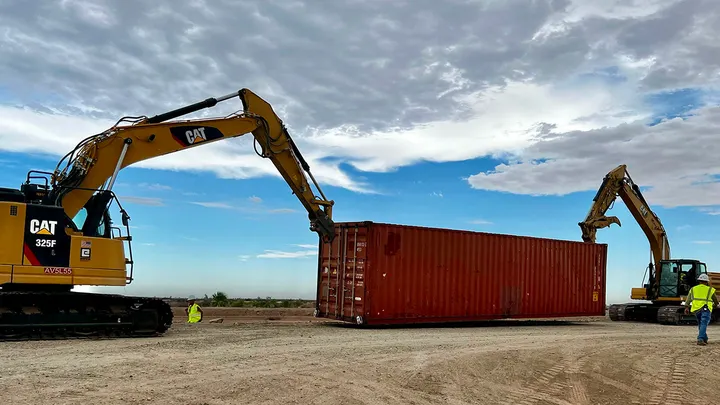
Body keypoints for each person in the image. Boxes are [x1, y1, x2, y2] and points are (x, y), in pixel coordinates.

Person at [684, 274, 719, 345]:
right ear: (707, 282)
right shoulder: (710, 290)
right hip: (706, 309)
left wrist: (687, 307)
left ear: (699, 281)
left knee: (701, 323)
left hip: (696, 309)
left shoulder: (693, 289)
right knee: (704, 323)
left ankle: (704, 338)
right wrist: (715, 305)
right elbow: (715, 301)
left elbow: (688, 300)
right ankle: (700, 339)